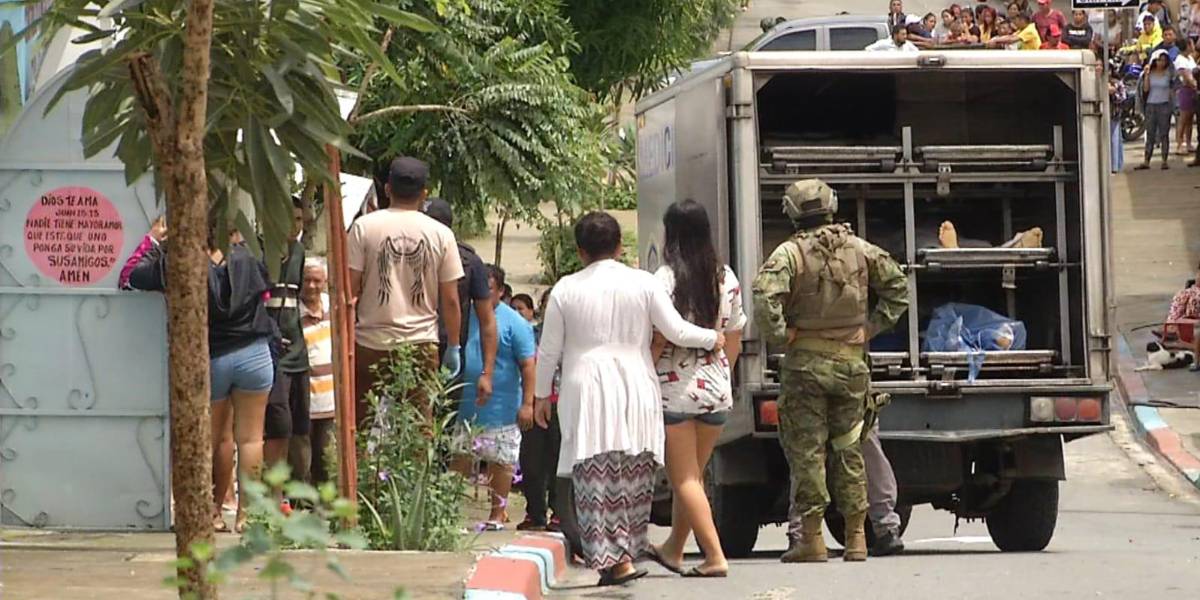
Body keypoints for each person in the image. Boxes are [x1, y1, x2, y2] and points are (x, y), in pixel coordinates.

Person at [534, 212, 723, 586]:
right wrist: (710, 338)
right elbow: (675, 330)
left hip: (585, 386)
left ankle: (613, 560)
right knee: (631, 469)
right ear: (620, 247)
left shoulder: (565, 289)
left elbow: (548, 351)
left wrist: (541, 395)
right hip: (636, 383)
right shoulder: (642, 283)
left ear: (580, 250)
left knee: (593, 472)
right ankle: (623, 553)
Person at [751, 180, 908, 564]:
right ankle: (857, 539)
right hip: (852, 366)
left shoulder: (789, 253)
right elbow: (898, 286)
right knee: (850, 448)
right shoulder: (859, 249)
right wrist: (870, 328)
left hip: (805, 366)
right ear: (832, 206)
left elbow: (763, 297)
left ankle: (812, 540)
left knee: (807, 453)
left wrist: (780, 335)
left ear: (791, 212)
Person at [128, 217, 276, 533]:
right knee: (251, 438)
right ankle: (248, 517)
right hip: (254, 354)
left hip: (212, 358)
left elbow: (130, 277)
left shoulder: (179, 262)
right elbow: (265, 297)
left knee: (213, 440)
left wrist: (153, 240)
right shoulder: (248, 257)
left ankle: (209, 513)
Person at [645, 200, 747, 578]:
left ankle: (715, 555)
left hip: (676, 391)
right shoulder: (727, 277)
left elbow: (657, 337)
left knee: (684, 478)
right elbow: (734, 336)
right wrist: (721, 375)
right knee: (694, 477)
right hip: (716, 387)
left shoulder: (665, 279)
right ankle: (673, 548)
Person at [348, 156, 463, 426]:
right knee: (418, 429)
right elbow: (450, 300)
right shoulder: (441, 234)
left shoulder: (363, 227)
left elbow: (349, 291)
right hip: (420, 346)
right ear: (424, 194)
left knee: (361, 428)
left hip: (369, 344)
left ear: (387, 189)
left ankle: (362, 470)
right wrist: (454, 345)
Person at [452, 264, 537, 530]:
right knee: (460, 458)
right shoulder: (465, 316)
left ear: (500, 291)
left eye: (488, 290)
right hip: (466, 407)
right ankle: (449, 512)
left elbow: (528, 365)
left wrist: (528, 404)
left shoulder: (516, 324)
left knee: (501, 462)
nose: (482, 294)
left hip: (503, 407)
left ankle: (497, 515)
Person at [422, 196, 499, 413]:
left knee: (442, 421)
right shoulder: (407, 252)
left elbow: (487, 321)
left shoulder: (470, 262)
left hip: (448, 351)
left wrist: (487, 373)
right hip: (414, 347)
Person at [265, 201, 310, 497]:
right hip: (272, 350)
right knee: (278, 423)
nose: (295, 225)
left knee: (301, 424)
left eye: (300, 220)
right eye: (291, 218)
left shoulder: (300, 252)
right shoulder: (262, 249)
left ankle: (299, 493)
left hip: (298, 349)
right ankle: (273, 493)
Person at [298, 258, 336, 487]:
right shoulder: (293, 312)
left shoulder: (333, 308)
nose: (311, 286)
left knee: (325, 461)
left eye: (317, 281)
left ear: (325, 282)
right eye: (307, 280)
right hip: (304, 399)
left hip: (329, 402)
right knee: (301, 463)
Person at [1136, 49, 1178, 170]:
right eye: (1159, 60)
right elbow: (1145, 89)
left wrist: (1174, 106)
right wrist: (1147, 75)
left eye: (1164, 60)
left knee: (1164, 133)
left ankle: (1164, 160)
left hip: (1164, 105)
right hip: (1151, 105)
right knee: (1150, 133)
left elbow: (1172, 89)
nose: (1161, 63)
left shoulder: (1169, 73)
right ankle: (1146, 160)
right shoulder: (1149, 73)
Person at [1176, 39, 1199, 156]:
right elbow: (1186, 77)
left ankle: (1189, 143)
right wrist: (1195, 84)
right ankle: (1180, 143)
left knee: (1190, 119)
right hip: (1186, 90)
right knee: (1184, 118)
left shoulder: (1190, 59)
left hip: (1193, 91)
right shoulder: (1180, 60)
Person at [1110, 75, 1128, 173]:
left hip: (1114, 115)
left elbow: (1123, 97)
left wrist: (1113, 92)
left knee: (1114, 140)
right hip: (1100, 115)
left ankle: (1115, 166)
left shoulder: (1117, 82)